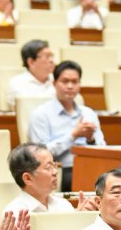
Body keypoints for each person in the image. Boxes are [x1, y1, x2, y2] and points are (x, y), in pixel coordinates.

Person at [29, 60, 105, 191]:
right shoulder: (41, 114)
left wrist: (90, 140)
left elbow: (103, 149)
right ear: (54, 84)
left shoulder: (88, 113)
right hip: (62, 170)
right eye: (65, 81)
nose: (70, 86)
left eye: (75, 82)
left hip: (91, 167)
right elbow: (39, 155)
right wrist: (73, 135)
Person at [4, 143, 98, 215]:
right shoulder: (14, 213)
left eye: (54, 165)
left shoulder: (62, 204)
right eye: (48, 167)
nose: (55, 172)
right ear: (28, 178)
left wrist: (79, 218)